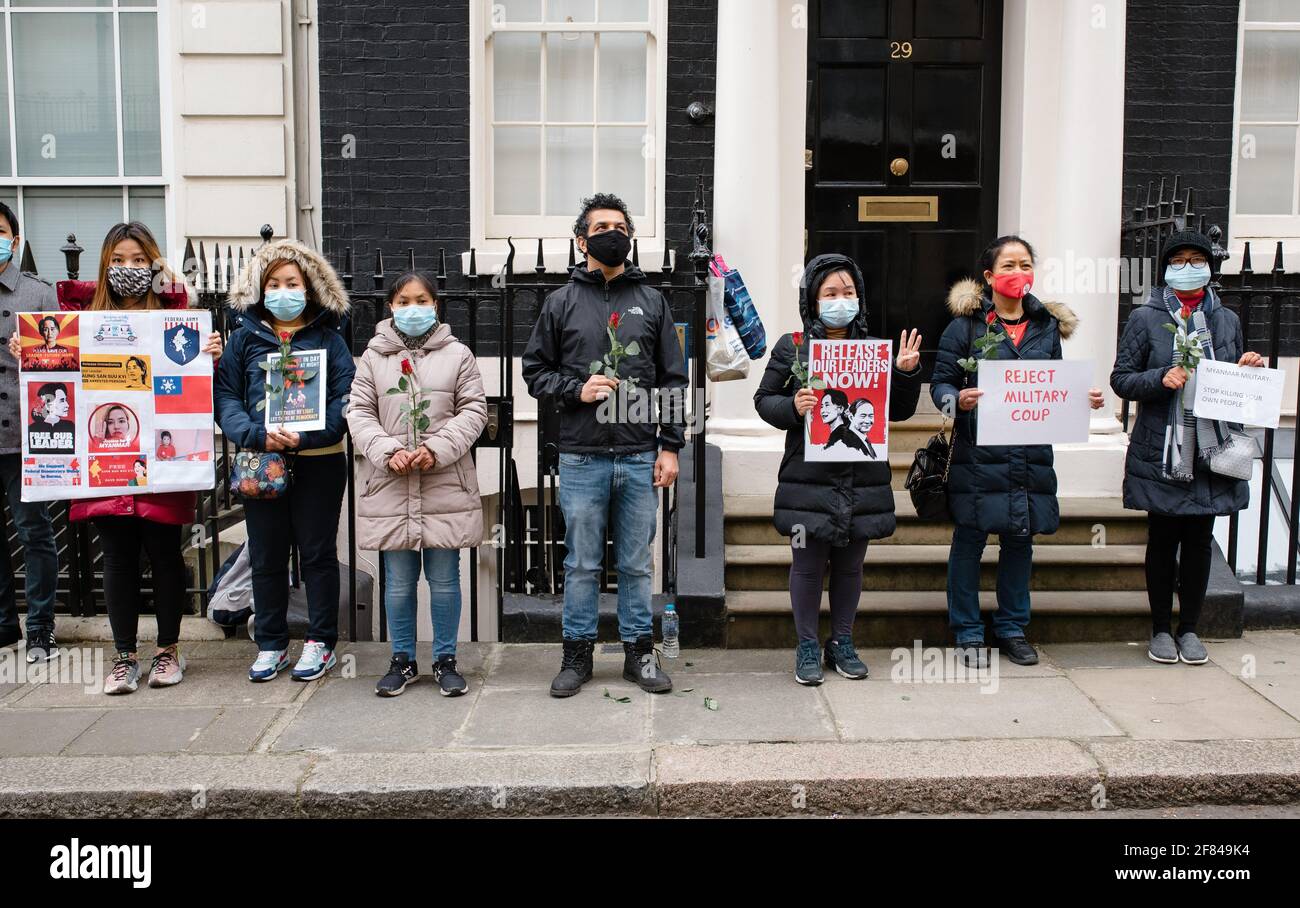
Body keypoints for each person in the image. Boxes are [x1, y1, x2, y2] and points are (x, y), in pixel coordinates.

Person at [11, 221, 223, 693]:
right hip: (105, 462)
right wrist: (28, 352)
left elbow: (197, 378)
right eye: (119, 261)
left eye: (139, 260)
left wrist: (211, 351)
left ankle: (168, 652)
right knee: (118, 558)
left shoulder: (177, 315)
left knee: (166, 554)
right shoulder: (79, 317)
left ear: (154, 264)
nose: (129, 269)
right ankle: (124, 656)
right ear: (105, 266)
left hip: (163, 463)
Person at [522, 192, 688, 698]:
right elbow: (535, 372)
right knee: (582, 563)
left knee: (638, 562)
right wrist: (577, 389)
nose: (611, 234)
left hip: (640, 455)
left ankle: (640, 655)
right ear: (581, 240)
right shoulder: (561, 302)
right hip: (581, 457)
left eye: (619, 226)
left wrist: (671, 446)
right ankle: (577, 657)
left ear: (630, 238)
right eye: (600, 227)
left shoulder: (654, 301)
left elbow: (674, 381)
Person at [931, 235, 1106, 668]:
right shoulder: (965, 327)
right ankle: (968, 632)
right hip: (978, 455)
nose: (1017, 274)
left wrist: (1083, 399)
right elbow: (941, 385)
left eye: (1024, 265)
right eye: (1007, 266)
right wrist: (959, 400)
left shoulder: (1046, 327)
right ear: (989, 276)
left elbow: (1054, 383)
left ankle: (1012, 627)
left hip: (1029, 455)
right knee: (969, 542)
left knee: (1020, 542)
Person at [754, 254, 923, 684]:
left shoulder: (873, 353)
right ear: (812, 299)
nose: (840, 300)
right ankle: (807, 645)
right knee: (807, 565)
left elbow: (898, 412)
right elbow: (764, 400)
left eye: (848, 292)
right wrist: (793, 406)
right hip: (808, 480)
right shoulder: (792, 346)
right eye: (830, 293)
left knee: (850, 566)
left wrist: (905, 374)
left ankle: (842, 642)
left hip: (861, 478)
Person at [1110, 229, 1265, 665]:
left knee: (1199, 539)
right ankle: (1160, 629)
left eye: (1196, 259)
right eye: (1177, 260)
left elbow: (1233, 382)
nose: (1187, 267)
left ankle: (1190, 629)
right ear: (1165, 270)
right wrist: (1160, 378)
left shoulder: (1226, 320)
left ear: (1210, 268)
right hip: (1164, 445)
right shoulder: (1145, 319)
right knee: (1162, 539)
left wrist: (1249, 367)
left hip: (1211, 448)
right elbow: (1121, 379)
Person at [215, 238, 355, 683]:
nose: (282, 290)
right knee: (267, 556)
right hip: (262, 461)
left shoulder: (331, 342)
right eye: (273, 283)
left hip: (320, 461)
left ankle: (320, 643)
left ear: (309, 287)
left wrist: (308, 434)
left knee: (317, 555)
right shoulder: (242, 341)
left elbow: (345, 400)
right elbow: (226, 399)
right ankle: (271, 644)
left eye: (291, 282)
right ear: (260, 289)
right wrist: (258, 435)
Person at [347, 271, 487, 697]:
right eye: (404, 300)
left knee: (445, 579)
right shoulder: (373, 357)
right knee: (399, 581)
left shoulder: (458, 355)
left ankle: (446, 660)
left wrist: (438, 448)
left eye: (421, 299)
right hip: (391, 484)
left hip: (443, 481)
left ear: (435, 305)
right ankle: (402, 660)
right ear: (391, 306)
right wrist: (388, 451)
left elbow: (474, 410)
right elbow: (358, 412)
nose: (413, 308)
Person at [0, 200, 60, 663]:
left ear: (14, 240)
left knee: (33, 531)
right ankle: (4, 625)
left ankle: (40, 628)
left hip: (25, 436)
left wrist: (33, 352)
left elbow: (63, 366)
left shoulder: (38, 294)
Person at [27, 382, 76, 454]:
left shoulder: (71, 426)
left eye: (66, 400)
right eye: (62, 400)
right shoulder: (32, 429)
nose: (67, 405)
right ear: (48, 405)